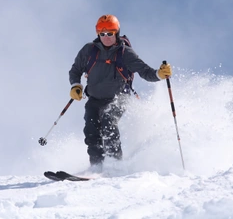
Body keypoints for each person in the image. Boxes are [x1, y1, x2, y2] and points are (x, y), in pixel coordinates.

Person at [69, 14, 172, 167]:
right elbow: (75, 70)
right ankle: (96, 167)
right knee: (91, 131)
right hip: (95, 99)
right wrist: (75, 85)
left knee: (108, 122)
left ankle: (115, 165)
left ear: (116, 33)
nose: (106, 37)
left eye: (109, 33)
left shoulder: (125, 53)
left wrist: (159, 74)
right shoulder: (89, 50)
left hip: (119, 97)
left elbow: (145, 71)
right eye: (102, 33)